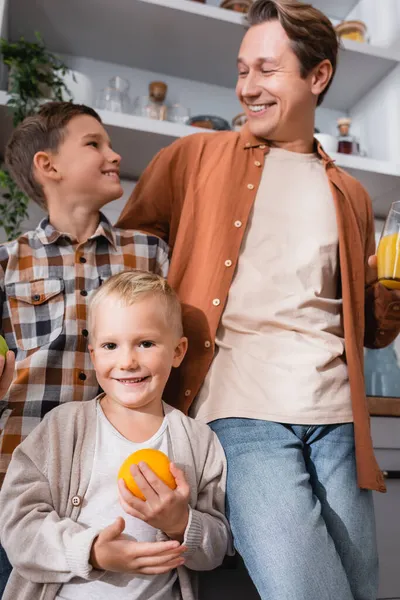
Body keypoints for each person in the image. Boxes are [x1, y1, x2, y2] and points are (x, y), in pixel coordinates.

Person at [116, 1, 400, 598]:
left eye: (266, 70)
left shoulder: (348, 193)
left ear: (316, 77)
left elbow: (368, 333)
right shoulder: (196, 157)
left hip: (337, 418)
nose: (248, 87)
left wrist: (390, 301)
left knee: (360, 588)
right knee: (306, 591)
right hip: (242, 413)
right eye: (243, 70)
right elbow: (129, 255)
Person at [0, 101, 169, 595]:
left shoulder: (148, 252)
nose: (114, 154)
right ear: (48, 166)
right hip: (20, 472)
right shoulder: (8, 263)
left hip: (118, 475)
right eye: (94, 143)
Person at [0, 270, 231, 600]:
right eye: (110, 345)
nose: (127, 361)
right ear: (93, 355)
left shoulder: (199, 441)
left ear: (178, 351)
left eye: (146, 343)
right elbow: (17, 526)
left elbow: (217, 547)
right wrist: (91, 551)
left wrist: (181, 522)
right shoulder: (61, 428)